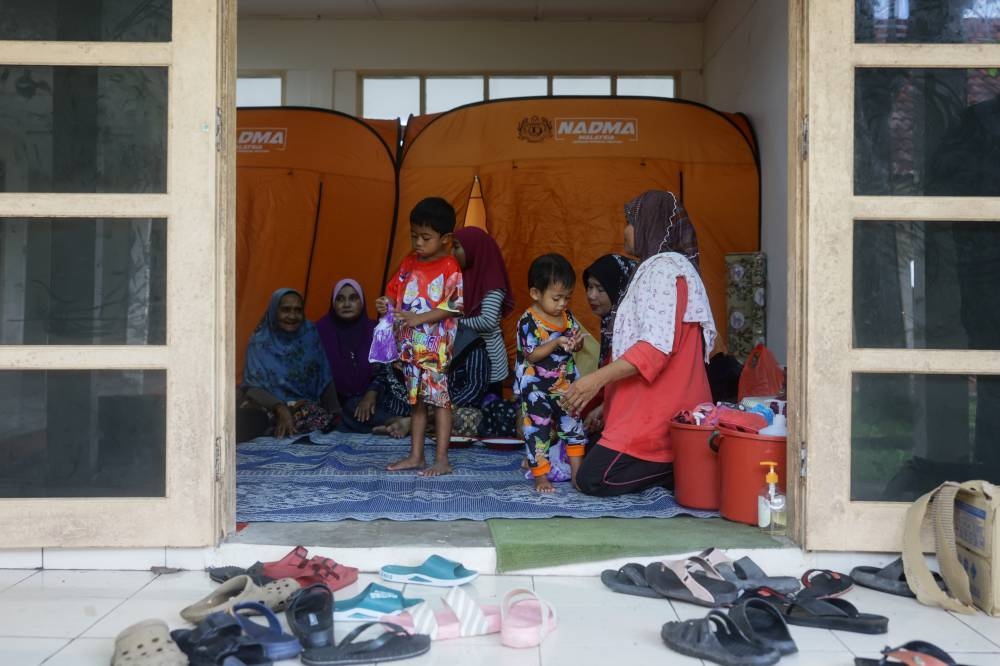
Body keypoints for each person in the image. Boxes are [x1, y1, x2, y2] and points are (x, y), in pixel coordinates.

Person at [562, 190, 716, 496]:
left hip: (657, 416)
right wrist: (608, 404)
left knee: (591, 479)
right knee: (586, 453)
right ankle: (683, 461)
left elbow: (654, 349)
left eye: (631, 223)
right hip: (661, 411)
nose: (625, 231)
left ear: (650, 225)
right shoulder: (672, 269)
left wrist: (593, 382)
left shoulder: (662, 269)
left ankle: (676, 468)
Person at [375, 197, 464, 476]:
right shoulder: (408, 262)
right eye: (414, 236)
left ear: (446, 238)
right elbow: (394, 292)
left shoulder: (450, 267)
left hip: (436, 348)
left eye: (426, 238)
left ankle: (442, 459)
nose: (418, 244)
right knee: (416, 400)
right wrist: (385, 304)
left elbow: (454, 306)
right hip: (411, 347)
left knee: (440, 400)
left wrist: (417, 319)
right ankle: (416, 456)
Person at [514, 253, 587, 493]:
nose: (562, 304)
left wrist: (576, 343)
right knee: (538, 431)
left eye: (567, 298)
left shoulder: (567, 318)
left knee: (573, 427)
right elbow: (532, 355)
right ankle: (541, 477)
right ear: (536, 293)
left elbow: (576, 344)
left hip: (565, 385)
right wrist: (557, 342)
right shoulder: (528, 321)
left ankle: (578, 474)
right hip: (537, 388)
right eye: (556, 298)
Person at [239, 288, 342, 440]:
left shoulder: (309, 334)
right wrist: (280, 408)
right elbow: (252, 387)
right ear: (274, 311)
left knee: (318, 416)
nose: (292, 316)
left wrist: (335, 411)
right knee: (251, 417)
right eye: (285, 310)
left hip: (301, 407)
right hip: (267, 405)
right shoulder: (259, 341)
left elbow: (323, 374)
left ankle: (277, 428)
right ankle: (273, 424)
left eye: (298, 310)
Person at [314, 279, 390, 433]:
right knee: (347, 410)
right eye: (340, 299)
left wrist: (370, 394)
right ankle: (395, 422)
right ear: (333, 303)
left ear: (362, 302)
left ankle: (395, 421)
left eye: (353, 298)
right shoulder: (319, 331)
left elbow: (387, 371)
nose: (347, 304)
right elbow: (317, 374)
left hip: (377, 396)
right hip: (337, 402)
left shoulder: (378, 329)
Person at [580, 253, 637, 437]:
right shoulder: (609, 325)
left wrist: (605, 407)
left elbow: (635, 385)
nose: (591, 295)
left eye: (600, 289)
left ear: (618, 289)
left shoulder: (632, 328)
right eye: (589, 287)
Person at [452, 227, 515, 393]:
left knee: (487, 411)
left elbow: (487, 321)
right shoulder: (464, 277)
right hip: (467, 358)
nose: (452, 252)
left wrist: (451, 323)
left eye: (457, 246)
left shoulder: (492, 282)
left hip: (489, 364)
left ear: (474, 249)